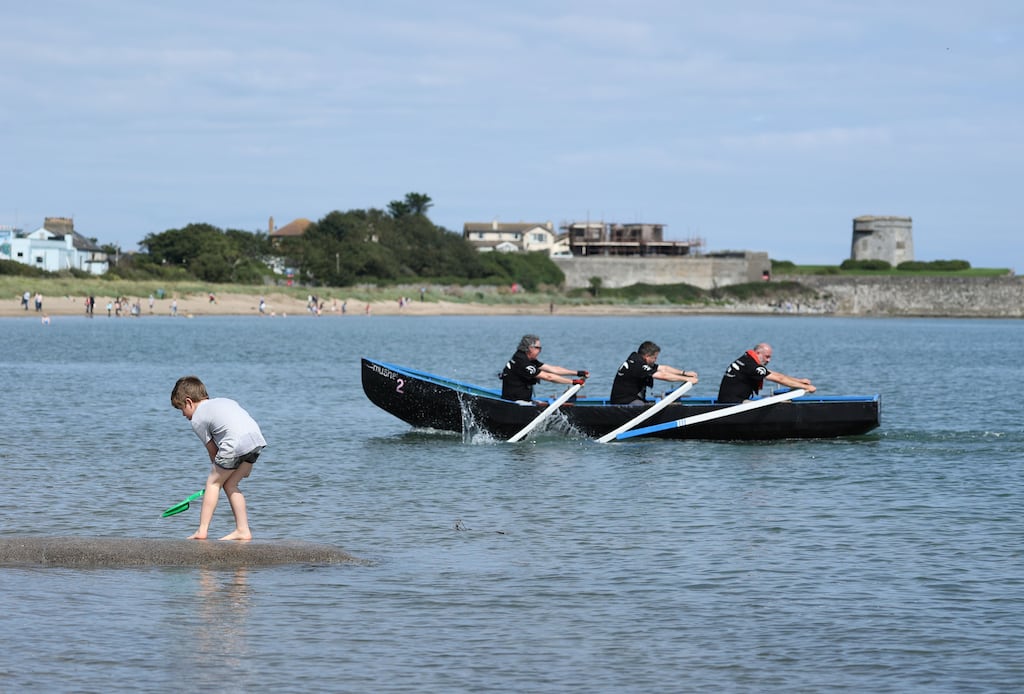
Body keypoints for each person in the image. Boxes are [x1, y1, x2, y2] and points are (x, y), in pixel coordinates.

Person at [170, 376, 267, 541]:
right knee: (230, 484)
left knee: (213, 483)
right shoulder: (224, 401)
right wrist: (240, 469)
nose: (183, 415)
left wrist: (217, 475)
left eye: (181, 409)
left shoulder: (198, 419)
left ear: (189, 402)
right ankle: (243, 530)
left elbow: (213, 451)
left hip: (234, 443)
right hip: (255, 440)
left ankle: (202, 530)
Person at [500, 334, 588, 402]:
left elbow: (553, 369)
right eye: (538, 348)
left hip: (522, 399)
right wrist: (573, 382)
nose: (540, 351)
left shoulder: (526, 357)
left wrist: (577, 373)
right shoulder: (523, 363)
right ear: (529, 348)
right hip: (516, 402)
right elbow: (548, 377)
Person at [717, 342, 816, 402]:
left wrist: (799, 381)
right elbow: (778, 379)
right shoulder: (752, 366)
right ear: (758, 353)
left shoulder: (747, 359)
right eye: (767, 357)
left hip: (729, 400)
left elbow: (774, 374)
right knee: (780, 403)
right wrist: (806, 387)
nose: (769, 360)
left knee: (772, 399)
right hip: (733, 404)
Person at [610, 340, 698, 405]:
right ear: (647, 356)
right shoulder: (637, 365)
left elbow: (664, 368)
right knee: (642, 406)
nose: (656, 360)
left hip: (631, 399)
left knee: (647, 404)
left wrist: (685, 373)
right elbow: (662, 375)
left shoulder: (638, 360)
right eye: (655, 358)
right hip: (622, 403)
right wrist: (687, 379)